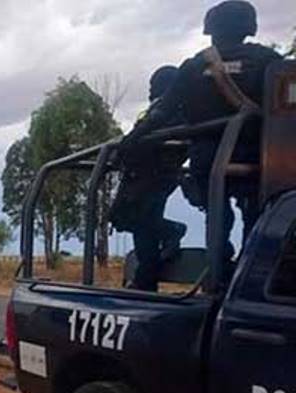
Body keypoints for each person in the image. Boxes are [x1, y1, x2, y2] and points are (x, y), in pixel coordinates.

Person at [122, 0, 282, 256]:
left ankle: (218, 268)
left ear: (212, 30)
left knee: (217, 214)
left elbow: (163, 110)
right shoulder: (269, 62)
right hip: (260, 160)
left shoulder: (194, 66)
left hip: (208, 161)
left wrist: (133, 138)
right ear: (249, 27)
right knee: (255, 212)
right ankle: (247, 267)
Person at [112, 66, 189, 292]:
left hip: (156, 175)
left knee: (142, 223)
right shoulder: (161, 109)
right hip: (143, 174)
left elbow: (149, 134)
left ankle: (145, 279)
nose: (150, 91)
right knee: (131, 220)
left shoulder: (175, 110)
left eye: (154, 85)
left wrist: (129, 144)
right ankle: (146, 276)